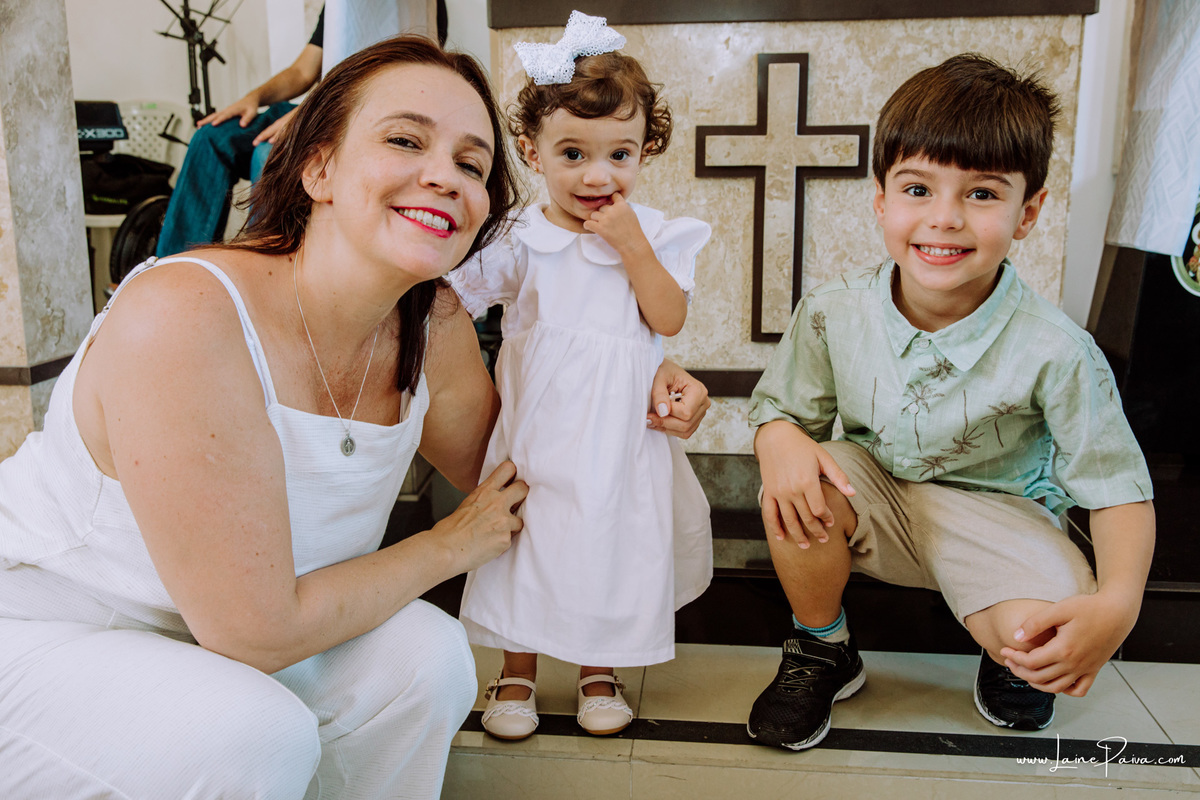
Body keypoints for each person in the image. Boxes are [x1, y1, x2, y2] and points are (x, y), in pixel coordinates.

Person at [0, 35, 710, 799]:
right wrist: (447, 547)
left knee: (428, 658)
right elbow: (256, 631)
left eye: (472, 164)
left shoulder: (430, 321)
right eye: (405, 140)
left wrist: (632, 372)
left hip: (234, 642)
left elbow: (516, 471)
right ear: (320, 168)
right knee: (247, 731)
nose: (444, 175)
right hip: (55, 633)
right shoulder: (185, 314)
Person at [745, 53, 1156, 750]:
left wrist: (1118, 604)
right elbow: (782, 411)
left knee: (1046, 638)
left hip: (998, 522)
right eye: (917, 189)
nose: (944, 220)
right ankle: (823, 647)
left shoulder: (1057, 349)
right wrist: (778, 439)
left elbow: (1118, 489)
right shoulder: (833, 311)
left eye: (982, 194)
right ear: (881, 200)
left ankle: (1008, 659)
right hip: (875, 498)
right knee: (796, 483)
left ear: (1028, 214)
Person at [448, 11, 714, 741]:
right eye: (573, 153)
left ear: (645, 149)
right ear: (533, 153)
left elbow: (665, 320)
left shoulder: (656, 234)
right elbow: (452, 301)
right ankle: (517, 671)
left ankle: (601, 670)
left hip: (621, 435)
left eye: (619, 154)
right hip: (539, 430)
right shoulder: (523, 238)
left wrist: (630, 247)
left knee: (611, 543)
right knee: (528, 543)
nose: (598, 176)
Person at [155, 8, 326, 258]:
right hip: (311, 106)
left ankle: (255, 271)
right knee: (211, 136)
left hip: (336, 110)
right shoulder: (335, 6)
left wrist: (309, 111)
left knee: (268, 151)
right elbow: (302, 71)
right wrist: (253, 98)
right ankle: (174, 267)